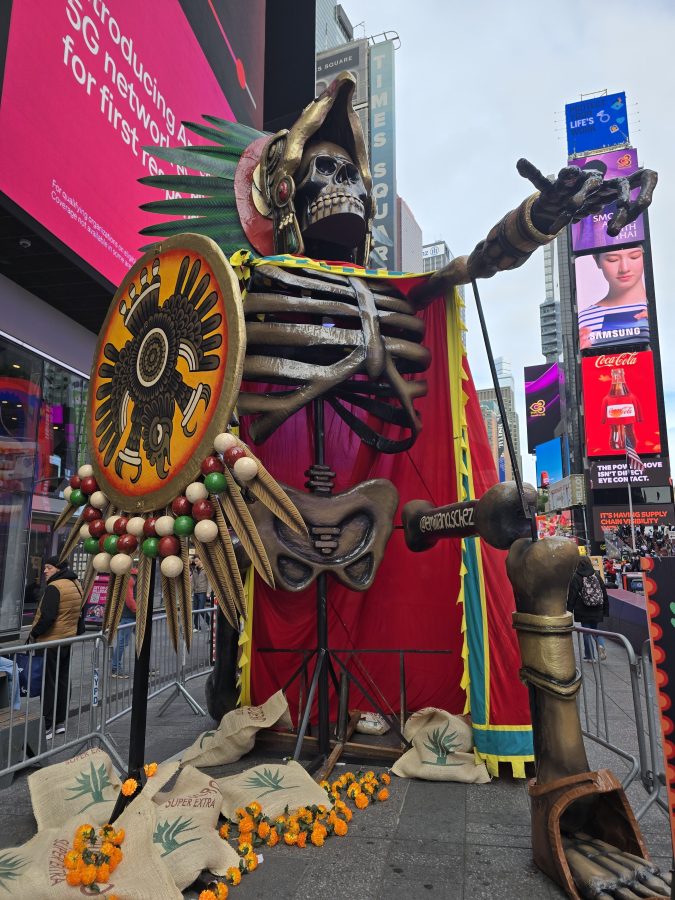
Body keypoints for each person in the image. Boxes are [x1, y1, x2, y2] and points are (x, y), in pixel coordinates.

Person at [29, 555, 84, 739]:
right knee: (62, 679)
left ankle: (47, 725)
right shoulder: (75, 583)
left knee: (48, 682)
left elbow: (48, 616)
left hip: (50, 641)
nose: (45, 571)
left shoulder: (55, 587)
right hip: (66, 640)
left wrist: (34, 633)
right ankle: (59, 722)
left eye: (49, 567)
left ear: (58, 568)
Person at [578, 245, 649, 350]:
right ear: (597, 260)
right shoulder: (583, 319)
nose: (624, 268)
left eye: (634, 257)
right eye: (612, 260)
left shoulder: (658, 310)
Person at [567, 556, 610, 662]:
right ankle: (600, 645)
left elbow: (572, 596)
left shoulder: (576, 577)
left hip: (583, 609)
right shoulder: (596, 575)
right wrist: (605, 610)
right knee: (595, 629)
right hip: (597, 608)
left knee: (586, 632)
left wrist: (569, 611)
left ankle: (590, 656)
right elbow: (604, 593)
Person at [110, 568, 137, 678]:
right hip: (129, 615)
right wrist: (138, 611)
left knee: (142, 641)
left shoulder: (131, 576)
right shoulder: (130, 578)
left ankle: (147, 668)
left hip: (130, 615)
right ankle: (115, 668)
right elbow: (129, 599)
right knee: (122, 643)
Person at [190, 556, 210, 632]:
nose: (196, 562)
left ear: (201, 561)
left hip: (203, 592)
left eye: (197, 561)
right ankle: (197, 627)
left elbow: (209, 582)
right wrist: (190, 593)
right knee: (195, 610)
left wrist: (208, 592)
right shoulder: (195, 570)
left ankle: (209, 623)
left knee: (201, 610)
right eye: (195, 561)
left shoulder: (205, 569)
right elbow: (193, 583)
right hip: (196, 592)